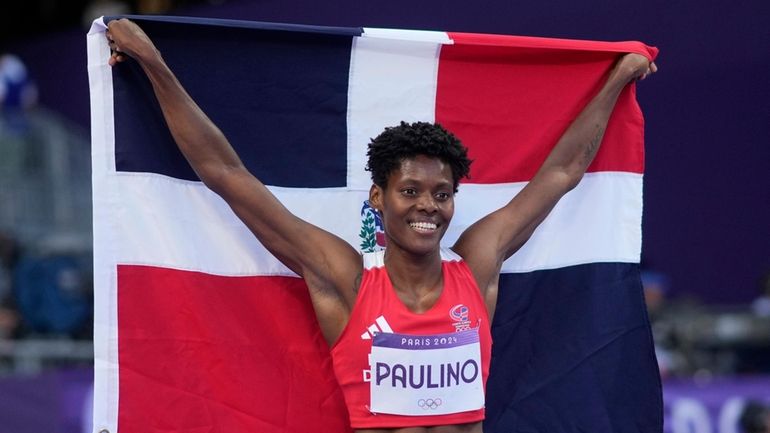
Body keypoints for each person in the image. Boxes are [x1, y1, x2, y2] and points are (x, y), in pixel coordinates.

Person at [105, 18, 656, 433]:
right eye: (410, 191)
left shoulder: (479, 262)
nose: (427, 207)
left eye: (442, 194)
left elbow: (561, 172)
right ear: (379, 197)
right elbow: (227, 174)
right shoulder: (344, 278)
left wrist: (619, 77)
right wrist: (153, 62)